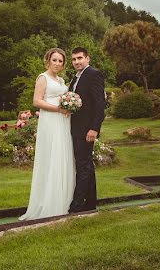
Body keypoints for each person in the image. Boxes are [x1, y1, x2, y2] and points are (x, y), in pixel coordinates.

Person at [19, 47, 75, 220]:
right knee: (52, 156)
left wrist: (70, 106)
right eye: (54, 60)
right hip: (50, 121)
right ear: (48, 60)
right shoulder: (42, 78)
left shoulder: (61, 80)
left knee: (62, 156)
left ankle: (64, 201)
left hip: (63, 122)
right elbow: (36, 101)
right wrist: (59, 109)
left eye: (60, 61)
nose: (57, 63)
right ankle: (49, 204)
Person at [67, 47, 105, 213]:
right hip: (76, 128)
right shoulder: (75, 78)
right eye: (74, 59)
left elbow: (99, 104)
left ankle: (76, 205)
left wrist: (94, 128)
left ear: (87, 58)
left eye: (80, 58)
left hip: (87, 130)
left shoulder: (93, 74)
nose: (77, 62)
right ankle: (90, 203)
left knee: (83, 166)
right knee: (86, 165)